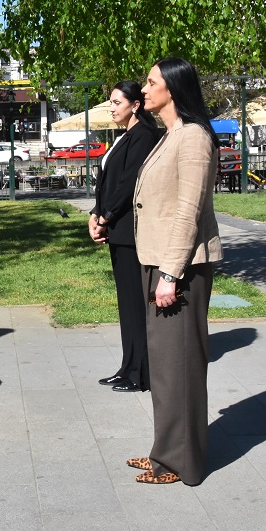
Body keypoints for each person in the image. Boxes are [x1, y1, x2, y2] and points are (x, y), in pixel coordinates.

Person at [128, 57, 223, 486]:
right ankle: (164, 450)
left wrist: (170, 274)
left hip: (179, 267)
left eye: (151, 83)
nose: (144, 89)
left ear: (173, 88)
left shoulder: (193, 137)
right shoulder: (172, 134)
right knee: (166, 367)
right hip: (160, 261)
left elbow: (188, 210)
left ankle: (180, 463)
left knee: (179, 366)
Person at [88, 81, 161, 393]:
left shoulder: (143, 136)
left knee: (135, 304)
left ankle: (141, 373)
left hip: (131, 232)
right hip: (117, 230)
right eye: (111, 102)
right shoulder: (124, 136)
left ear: (136, 105)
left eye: (117, 102)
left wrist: (105, 217)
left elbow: (129, 183)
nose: (112, 108)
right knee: (126, 305)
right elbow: (108, 183)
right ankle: (127, 367)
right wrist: (95, 213)